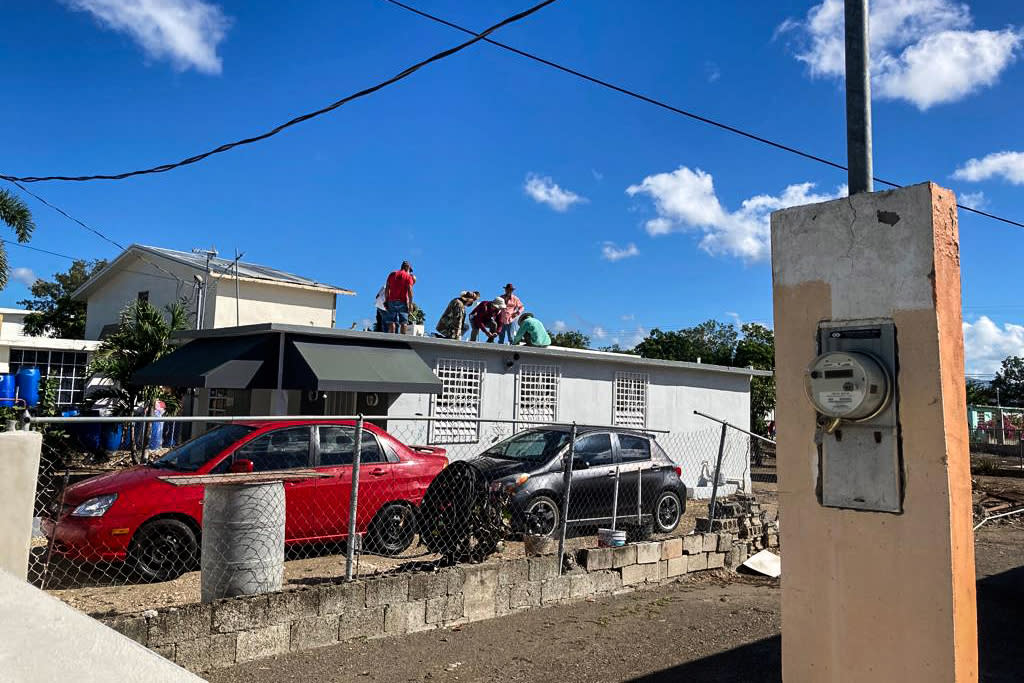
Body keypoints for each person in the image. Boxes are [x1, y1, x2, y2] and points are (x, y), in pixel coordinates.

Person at [383, 261, 415, 334]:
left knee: (391, 322)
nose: (409, 272)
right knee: (404, 322)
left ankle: (392, 340)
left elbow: (387, 288)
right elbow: (410, 291)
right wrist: (410, 304)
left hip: (391, 301)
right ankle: (402, 341)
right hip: (403, 302)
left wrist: (386, 300)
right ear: (407, 268)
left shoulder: (392, 274)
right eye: (409, 270)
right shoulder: (408, 277)